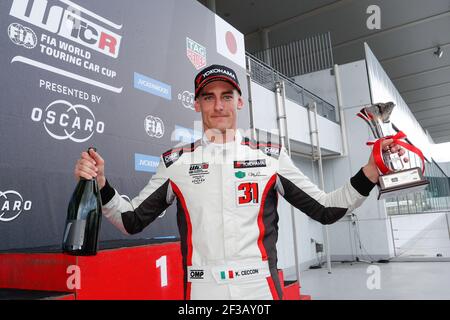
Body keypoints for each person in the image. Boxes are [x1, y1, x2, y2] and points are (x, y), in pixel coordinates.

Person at [74, 64, 406, 300]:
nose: (218, 105)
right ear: (196, 103)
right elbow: (131, 221)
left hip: (259, 288)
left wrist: (371, 172)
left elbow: (326, 209)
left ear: (240, 102)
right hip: (202, 291)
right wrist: (102, 184)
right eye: (208, 97)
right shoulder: (175, 161)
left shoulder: (271, 155)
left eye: (227, 95)